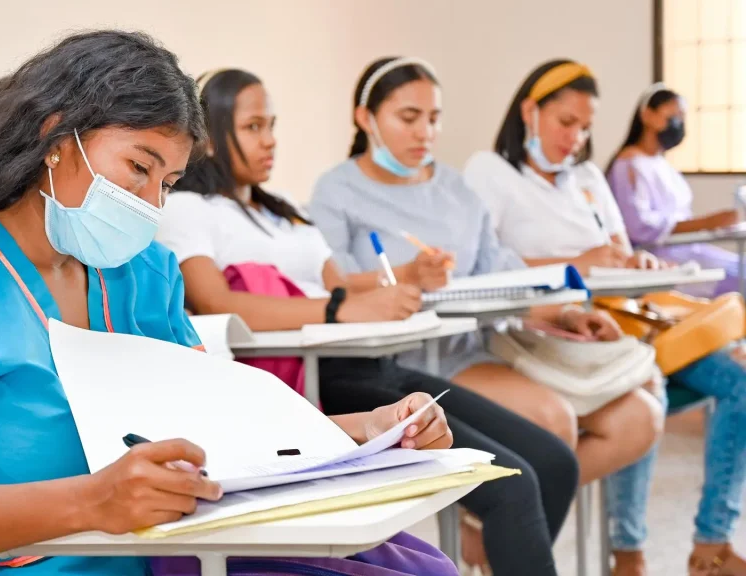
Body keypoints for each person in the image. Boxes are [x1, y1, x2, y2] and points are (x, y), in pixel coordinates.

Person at [0, 31, 456, 576]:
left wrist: (367, 433)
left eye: (168, 183)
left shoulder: (143, 273)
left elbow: (228, 430)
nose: (151, 205)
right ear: (56, 136)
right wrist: (94, 502)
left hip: (182, 548)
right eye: (138, 167)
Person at [154, 67, 583, 576]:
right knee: (511, 488)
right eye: (253, 127)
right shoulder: (189, 208)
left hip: (370, 363)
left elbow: (342, 283)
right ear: (209, 132)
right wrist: (338, 310)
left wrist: (407, 275)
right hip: (318, 379)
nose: (270, 141)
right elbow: (219, 302)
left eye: (272, 125)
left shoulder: (284, 211)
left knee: (555, 463)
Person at [309, 57, 663, 576]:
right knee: (551, 420)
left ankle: (504, 542)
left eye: (434, 118)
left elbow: (499, 268)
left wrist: (564, 313)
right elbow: (329, 282)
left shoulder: (456, 189)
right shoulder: (335, 191)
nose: (425, 132)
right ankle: (503, 532)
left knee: (640, 415)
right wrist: (404, 276)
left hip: (475, 345)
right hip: (400, 361)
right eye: (409, 117)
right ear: (365, 118)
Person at [463, 59, 746, 576]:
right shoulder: (490, 173)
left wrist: (633, 261)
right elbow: (482, 265)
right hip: (543, 328)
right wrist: (576, 266)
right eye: (565, 122)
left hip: (624, 321)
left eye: (586, 126)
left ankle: (690, 545)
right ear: (529, 110)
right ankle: (628, 550)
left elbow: (617, 244)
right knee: (658, 386)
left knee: (731, 378)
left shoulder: (588, 177)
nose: (577, 137)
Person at [606, 82, 741, 297]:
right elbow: (638, 228)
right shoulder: (628, 166)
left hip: (691, 250)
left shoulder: (661, 164)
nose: (678, 124)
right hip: (660, 259)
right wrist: (706, 223)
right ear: (647, 115)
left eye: (683, 117)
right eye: (673, 116)